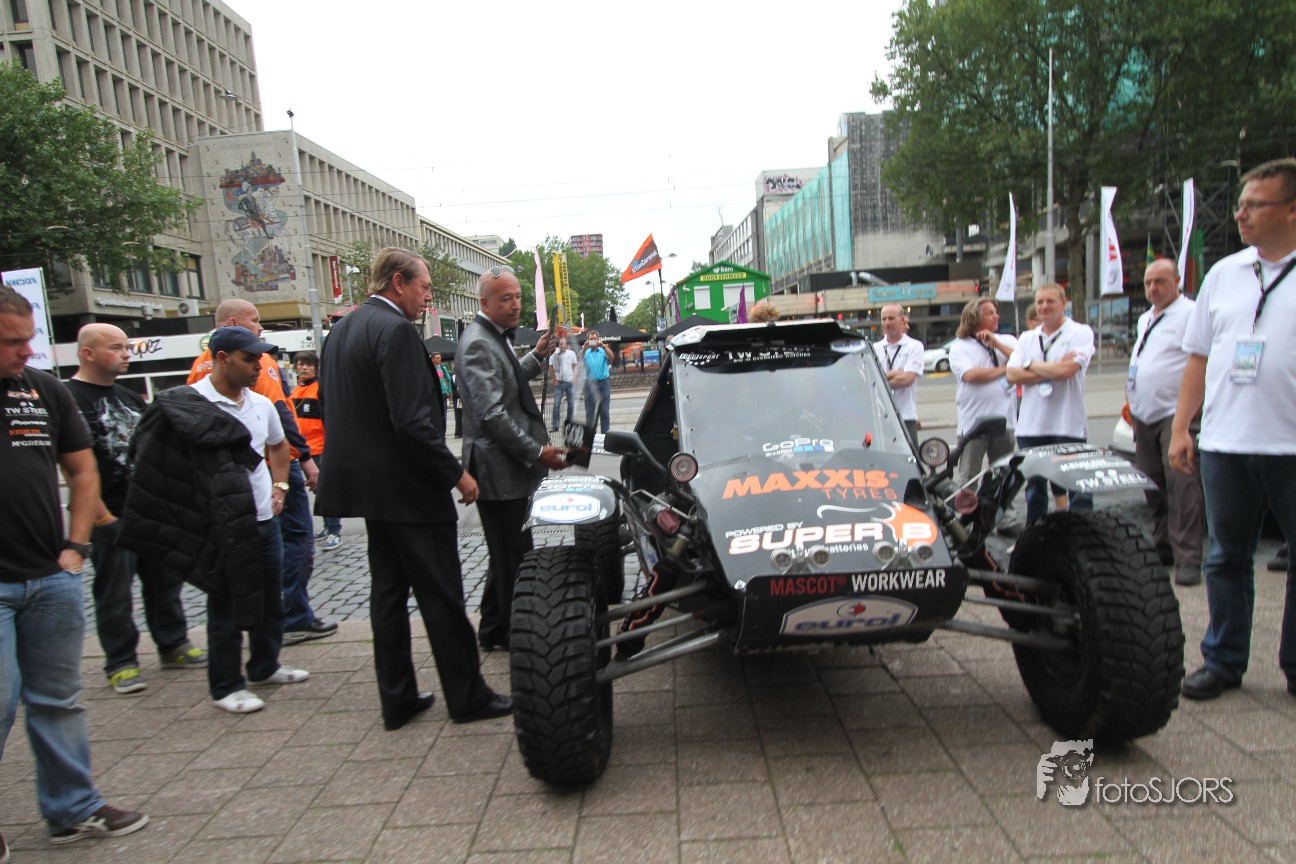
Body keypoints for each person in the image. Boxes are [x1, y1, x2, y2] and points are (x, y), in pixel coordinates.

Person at [316, 247, 511, 727]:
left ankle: (398, 697)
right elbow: (412, 422)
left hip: (370, 490)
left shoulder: (342, 329)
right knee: (442, 594)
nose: (427, 298)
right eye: (424, 287)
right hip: (408, 488)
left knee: (387, 594)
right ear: (398, 282)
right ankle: (468, 698)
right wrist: (456, 474)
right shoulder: (396, 331)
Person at [0, 286, 150, 847]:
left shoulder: (43, 390)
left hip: (50, 575)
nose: (26, 350)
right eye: (11, 342)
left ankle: (72, 808)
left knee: (58, 700)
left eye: (29, 338)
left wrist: (76, 546)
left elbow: (83, 471)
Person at [124, 327, 310, 714]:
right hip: (220, 523)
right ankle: (226, 686)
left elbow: (278, 446)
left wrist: (280, 486)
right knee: (225, 604)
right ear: (222, 358)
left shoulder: (261, 404)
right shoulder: (189, 404)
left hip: (263, 518)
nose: (258, 366)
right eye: (249, 359)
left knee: (270, 597)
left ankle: (265, 666)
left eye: (259, 359)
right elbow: (161, 465)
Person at [1169, 157, 1296, 701]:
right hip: (1225, 442)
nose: (1239, 214)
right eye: (1241, 204)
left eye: (1253, 205)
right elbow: (1198, 358)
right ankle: (1223, 661)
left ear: (1291, 210)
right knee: (1225, 558)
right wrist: (1182, 428)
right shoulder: (1224, 274)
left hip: (1289, 445)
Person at [65, 324, 205, 696]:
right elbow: (74, 467)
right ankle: (121, 662)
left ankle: (173, 644)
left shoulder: (128, 397)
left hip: (149, 509)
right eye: (116, 347)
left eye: (126, 347)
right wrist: (102, 517)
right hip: (108, 513)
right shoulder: (68, 398)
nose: (127, 354)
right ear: (87, 353)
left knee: (165, 582)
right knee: (114, 592)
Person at [190, 300, 336, 644]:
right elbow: (280, 414)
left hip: (232, 481)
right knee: (292, 540)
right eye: (255, 320)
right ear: (232, 324)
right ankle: (293, 616)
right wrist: (303, 461)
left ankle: (260, 639)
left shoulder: (200, 365)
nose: (260, 328)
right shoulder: (259, 361)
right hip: (264, 473)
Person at [458, 266, 571, 652]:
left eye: (519, 296)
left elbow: (506, 381)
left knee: (504, 554)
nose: (516, 304)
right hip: (498, 471)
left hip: (504, 469)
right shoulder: (478, 342)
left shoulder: (493, 335)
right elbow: (491, 413)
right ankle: (516, 634)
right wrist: (536, 451)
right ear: (484, 302)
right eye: (506, 298)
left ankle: (493, 628)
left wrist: (536, 356)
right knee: (514, 557)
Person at [1128, 258, 1206, 586]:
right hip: (1143, 414)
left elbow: (1201, 361)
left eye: (1160, 281)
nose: (1153, 288)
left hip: (1174, 414)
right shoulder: (1146, 318)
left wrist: (1187, 417)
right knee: (1152, 484)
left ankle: (1188, 557)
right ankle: (1164, 545)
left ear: (1177, 281)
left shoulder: (1191, 314)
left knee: (1182, 485)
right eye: (1148, 283)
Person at [1005, 283, 1096, 527]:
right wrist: (1051, 369)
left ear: (1063, 303)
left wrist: (1030, 365)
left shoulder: (1080, 333)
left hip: (1067, 424)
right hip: (1031, 427)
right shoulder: (1027, 338)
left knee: (1075, 483)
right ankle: (1035, 532)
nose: (1044, 306)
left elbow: (1067, 371)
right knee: (1035, 488)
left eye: (1050, 301)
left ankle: (1081, 533)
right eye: (1040, 302)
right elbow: (1011, 375)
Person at [949, 298, 1018, 484]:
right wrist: (1007, 369)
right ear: (974, 317)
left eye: (996, 312)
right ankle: (967, 504)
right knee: (968, 477)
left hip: (1005, 421)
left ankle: (997, 504)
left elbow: (1024, 361)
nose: (996, 316)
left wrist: (997, 344)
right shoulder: (960, 347)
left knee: (1001, 477)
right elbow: (970, 375)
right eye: (990, 313)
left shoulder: (1007, 341)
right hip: (973, 423)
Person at [290, 351, 342, 552]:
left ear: (315, 368)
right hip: (302, 450)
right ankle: (328, 527)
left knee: (325, 490)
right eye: (300, 364)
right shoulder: (296, 392)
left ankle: (334, 531)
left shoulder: (319, 389)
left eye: (308, 364)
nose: (304, 368)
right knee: (317, 490)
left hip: (320, 448)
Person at [872, 303, 925, 445]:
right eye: (884, 319)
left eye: (891, 318)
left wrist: (879, 377)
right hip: (881, 418)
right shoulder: (875, 348)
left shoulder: (914, 346)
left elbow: (907, 379)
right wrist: (894, 374)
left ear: (902, 320)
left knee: (911, 456)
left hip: (906, 417)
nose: (887, 323)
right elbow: (867, 381)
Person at [581, 330, 614, 433]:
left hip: (603, 383)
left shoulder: (603, 350)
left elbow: (612, 357)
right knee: (590, 413)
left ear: (598, 339)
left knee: (604, 412)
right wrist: (584, 348)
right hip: (589, 385)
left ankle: (605, 435)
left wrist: (603, 346)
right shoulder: (585, 352)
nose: (593, 341)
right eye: (591, 339)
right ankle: (591, 436)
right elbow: (577, 360)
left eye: (595, 339)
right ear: (588, 340)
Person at [548, 333, 577, 432]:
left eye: (563, 344)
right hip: (559, 383)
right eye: (560, 344)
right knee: (556, 404)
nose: (561, 346)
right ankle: (555, 425)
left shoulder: (571, 354)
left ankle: (570, 423)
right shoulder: (554, 355)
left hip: (569, 382)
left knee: (571, 404)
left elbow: (575, 366)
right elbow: (551, 367)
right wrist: (554, 379)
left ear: (566, 345)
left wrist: (574, 378)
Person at [431, 352, 455, 429]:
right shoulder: (429, 368)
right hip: (433, 394)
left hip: (443, 393)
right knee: (434, 413)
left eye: (440, 357)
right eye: (437, 358)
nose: (439, 359)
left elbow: (449, 379)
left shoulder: (442, 368)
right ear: (433, 359)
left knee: (444, 413)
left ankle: (443, 429)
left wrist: (449, 391)